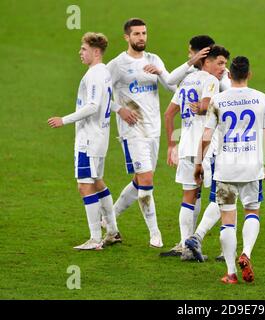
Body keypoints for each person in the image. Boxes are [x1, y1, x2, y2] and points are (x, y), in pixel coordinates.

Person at [194, 56, 265, 284]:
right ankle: (247, 253)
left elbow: (206, 136)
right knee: (252, 211)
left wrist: (199, 163)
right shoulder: (261, 98)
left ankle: (230, 273)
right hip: (252, 168)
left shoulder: (218, 100)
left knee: (227, 220)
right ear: (249, 74)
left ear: (229, 75)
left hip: (225, 170)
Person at [106, 18, 176, 248]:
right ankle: (154, 233)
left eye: (144, 33)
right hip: (132, 131)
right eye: (136, 34)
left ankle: (109, 218)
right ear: (127, 37)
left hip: (153, 131)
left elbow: (172, 88)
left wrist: (161, 72)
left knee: (140, 181)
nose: (141, 38)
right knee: (146, 179)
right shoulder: (117, 65)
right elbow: (98, 94)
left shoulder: (154, 59)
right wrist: (119, 109)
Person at [48, 32, 120, 250]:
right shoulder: (103, 72)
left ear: (96, 52)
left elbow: (93, 106)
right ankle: (113, 231)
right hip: (100, 137)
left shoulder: (95, 74)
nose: (80, 52)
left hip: (89, 140)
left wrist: (64, 120)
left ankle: (95, 238)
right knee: (97, 182)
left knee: (84, 186)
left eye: (84, 49)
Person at [161, 36, 231, 259]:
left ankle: (185, 247)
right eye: (219, 63)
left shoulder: (186, 81)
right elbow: (203, 106)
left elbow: (168, 114)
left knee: (188, 196)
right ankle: (217, 246)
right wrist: (202, 108)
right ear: (207, 61)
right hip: (206, 147)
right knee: (223, 195)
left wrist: (172, 144)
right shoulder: (209, 80)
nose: (223, 68)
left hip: (185, 146)